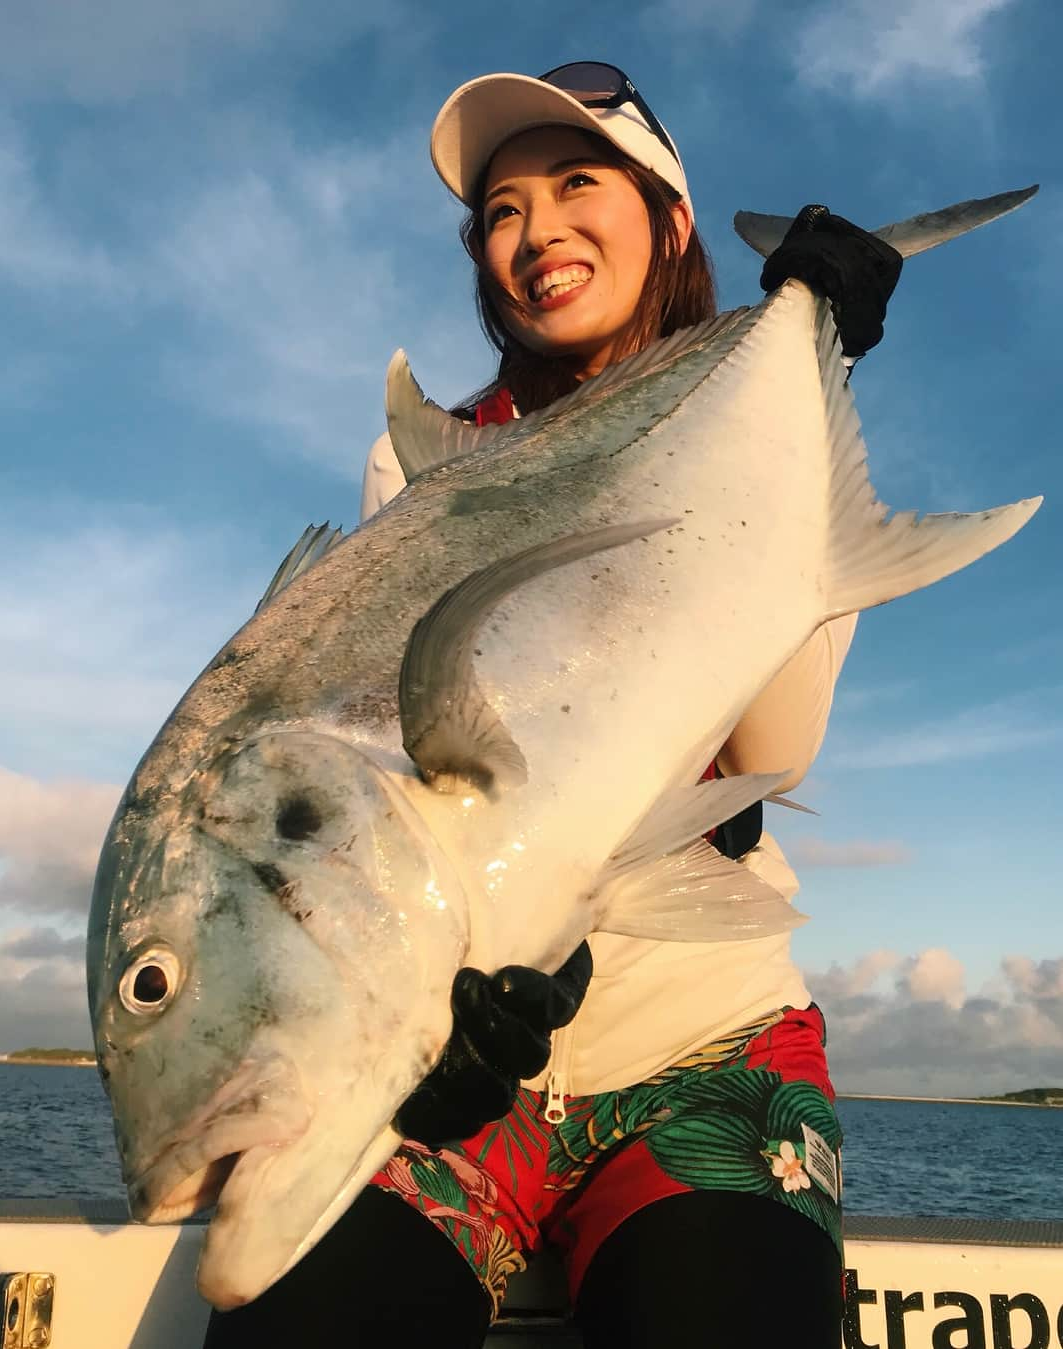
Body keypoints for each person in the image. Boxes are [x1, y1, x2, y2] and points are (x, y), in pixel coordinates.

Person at [203, 62, 901, 1349]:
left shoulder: (766, 426)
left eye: (579, 183)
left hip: (708, 1039)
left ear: (672, 222)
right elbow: (386, 778)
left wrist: (805, 362)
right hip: (458, 1057)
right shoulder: (422, 463)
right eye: (501, 211)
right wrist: (434, 996)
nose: (536, 233)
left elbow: (773, 747)